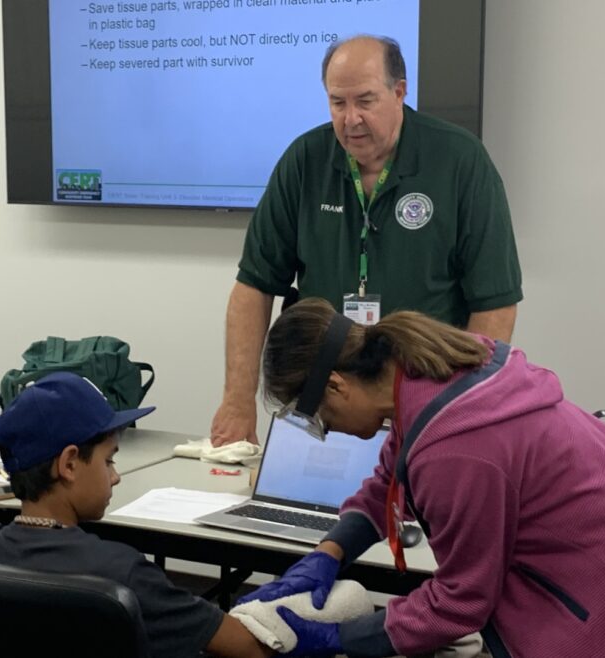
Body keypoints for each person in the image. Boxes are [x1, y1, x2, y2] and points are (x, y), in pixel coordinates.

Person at [237, 298, 605, 657]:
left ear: (338, 386)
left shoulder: (454, 449)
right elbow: (391, 477)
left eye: (320, 420)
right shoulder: (424, 370)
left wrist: (341, 639)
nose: (331, 431)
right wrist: (329, 554)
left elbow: (459, 602)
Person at [212, 35, 522, 447]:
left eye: (365, 101)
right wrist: (237, 400)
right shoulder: (305, 160)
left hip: (424, 400)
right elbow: (253, 287)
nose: (351, 119)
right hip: (324, 398)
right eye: (338, 103)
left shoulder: (461, 161)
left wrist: (464, 409)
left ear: (399, 91)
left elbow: (494, 304)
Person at [0, 372, 272, 658]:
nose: (115, 477)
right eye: (109, 460)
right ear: (69, 464)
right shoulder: (122, 572)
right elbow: (250, 647)